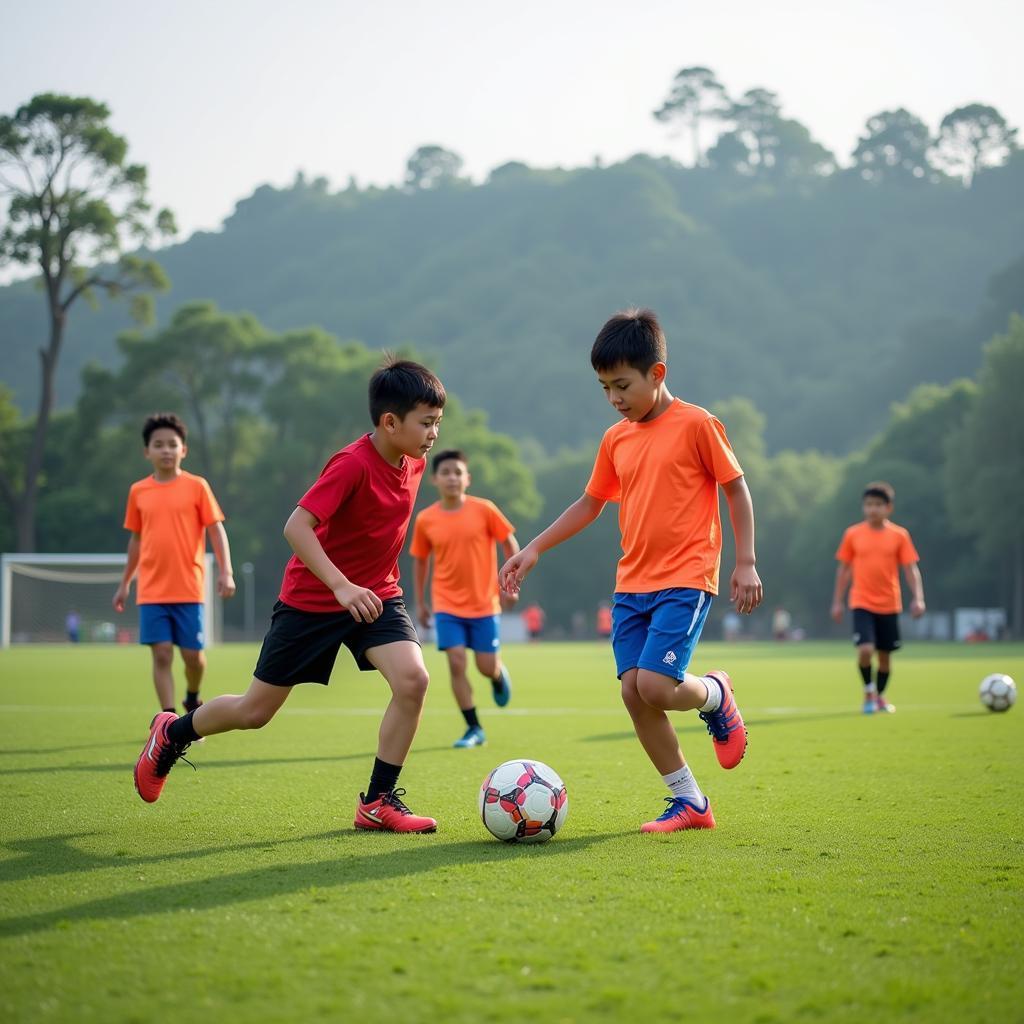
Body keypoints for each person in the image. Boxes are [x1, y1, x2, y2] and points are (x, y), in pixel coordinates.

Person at [132, 359, 447, 833]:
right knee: (253, 712)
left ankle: (377, 801)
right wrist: (340, 585)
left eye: (437, 423)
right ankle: (171, 733)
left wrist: (359, 587)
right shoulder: (351, 464)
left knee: (413, 682)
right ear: (389, 421)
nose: (433, 435)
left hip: (377, 596)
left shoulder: (415, 461)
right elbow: (296, 526)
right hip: (313, 603)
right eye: (426, 423)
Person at [500, 307, 762, 834]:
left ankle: (714, 693)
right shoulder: (615, 439)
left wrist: (746, 561)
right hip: (631, 585)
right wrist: (534, 548)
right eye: (604, 388)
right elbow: (590, 503)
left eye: (622, 384)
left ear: (657, 374)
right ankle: (690, 802)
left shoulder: (697, 423)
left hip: (687, 577)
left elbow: (735, 487)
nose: (614, 398)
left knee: (658, 686)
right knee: (632, 691)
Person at [113, 413, 236, 716]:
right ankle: (167, 720)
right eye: (158, 445)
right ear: (147, 452)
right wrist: (125, 583)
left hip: (189, 588)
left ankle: (192, 699)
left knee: (194, 657)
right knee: (162, 654)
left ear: (184, 450)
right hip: (152, 591)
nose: (166, 450)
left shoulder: (197, 487)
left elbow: (215, 529)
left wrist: (226, 571)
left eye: (172, 444)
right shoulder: (138, 491)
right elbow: (136, 541)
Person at [410, 448, 519, 749]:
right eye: (445, 473)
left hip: (484, 604)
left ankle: (497, 676)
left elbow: (509, 542)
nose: (452, 478)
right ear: (435, 479)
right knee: (456, 662)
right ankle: (474, 728)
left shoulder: (485, 510)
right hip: (446, 604)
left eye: (457, 472)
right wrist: (420, 602)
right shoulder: (426, 519)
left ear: (467, 478)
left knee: (485, 666)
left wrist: (509, 583)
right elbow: (420, 561)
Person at [831, 481, 925, 714]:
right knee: (865, 650)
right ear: (864, 507)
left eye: (878, 505)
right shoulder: (852, 534)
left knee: (884, 658)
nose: (873, 509)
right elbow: (843, 570)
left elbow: (910, 569)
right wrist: (837, 601)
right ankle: (869, 692)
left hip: (890, 603)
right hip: (861, 601)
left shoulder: (899, 535)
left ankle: (881, 696)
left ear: (888, 508)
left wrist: (918, 598)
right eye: (869, 504)